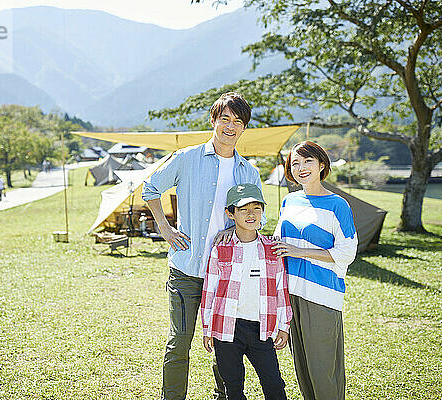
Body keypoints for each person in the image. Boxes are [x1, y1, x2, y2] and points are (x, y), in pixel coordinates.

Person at [142, 92, 264, 400]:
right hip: (186, 269)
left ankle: (224, 395)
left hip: (226, 273)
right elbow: (150, 187)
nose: (230, 127)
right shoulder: (186, 158)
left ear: (244, 128)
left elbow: (253, 217)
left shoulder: (248, 172)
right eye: (225, 119)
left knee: (226, 343)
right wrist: (165, 227)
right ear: (213, 120)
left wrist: (235, 228)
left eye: (238, 121)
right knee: (179, 341)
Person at [272, 141, 358, 400]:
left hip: (321, 295)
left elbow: (347, 252)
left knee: (323, 370)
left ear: (322, 165)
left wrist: (300, 251)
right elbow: (278, 242)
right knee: (303, 368)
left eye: (307, 161)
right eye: (295, 163)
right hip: (291, 293)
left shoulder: (338, 205)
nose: (301, 168)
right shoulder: (289, 200)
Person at [201, 183, 291, 400]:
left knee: (274, 384)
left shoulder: (273, 249)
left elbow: (281, 291)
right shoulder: (220, 249)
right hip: (227, 328)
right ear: (230, 214)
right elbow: (209, 291)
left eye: (256, 208)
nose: (251, 214)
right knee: (233, 385)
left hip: (261, 329)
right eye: (243, 209)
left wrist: (284, 326)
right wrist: (207, 328)